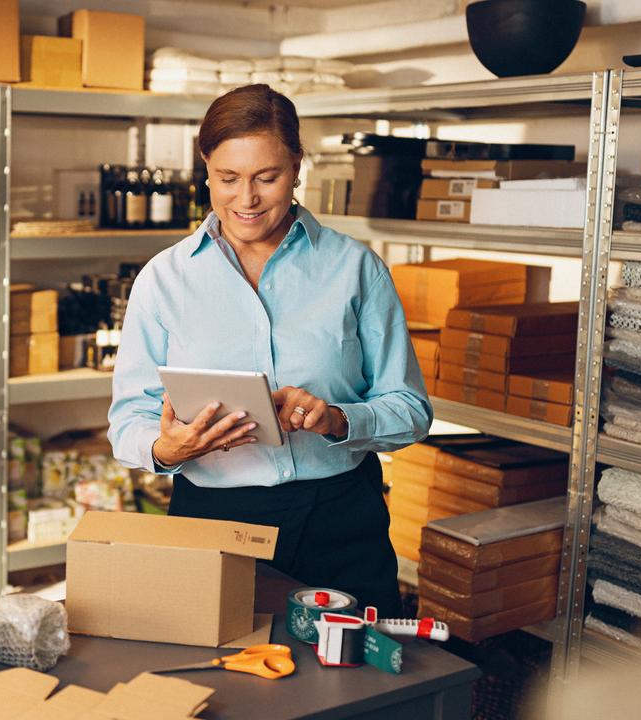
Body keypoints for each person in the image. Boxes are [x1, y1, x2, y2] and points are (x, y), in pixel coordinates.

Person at [107, 84, 431, 616]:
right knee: (224, 687)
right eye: (228, 179)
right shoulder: (163, 279)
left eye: (267, 177)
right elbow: (128, 421)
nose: (247, 199)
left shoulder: (355, 269)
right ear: (206, 168)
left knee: (359, 686)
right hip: (213, 522)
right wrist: (169, 449)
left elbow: (412, 411)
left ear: (298, 166)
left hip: (342, 520)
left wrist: (337, 420)